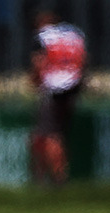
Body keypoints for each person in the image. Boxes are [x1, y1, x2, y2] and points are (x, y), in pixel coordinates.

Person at [30, 8, 87, 185]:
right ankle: (51, 175)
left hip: (54, 87)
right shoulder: (74, 33)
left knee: (50, 134)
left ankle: (58, 178)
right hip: (73, 85)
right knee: (58, 132)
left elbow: (39, 63)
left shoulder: (44, 35)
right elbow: (84, 59)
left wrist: (36, 81)